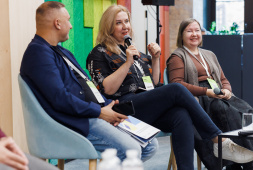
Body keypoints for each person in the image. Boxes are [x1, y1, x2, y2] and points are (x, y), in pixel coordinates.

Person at [86, 5, 253, 170]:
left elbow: (151, 84)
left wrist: (154, 59)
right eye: (118, 23)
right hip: (122, 109)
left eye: (127, 21)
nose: (125, 27)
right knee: (176, 88)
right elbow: (107, 89)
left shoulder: (131, 49)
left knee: (181, 115)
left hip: (144, 107)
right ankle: (218, 140)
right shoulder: (99, 53)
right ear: (109, 27)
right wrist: (128, 62)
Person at [20, 1, 158, 162]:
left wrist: (108, 106)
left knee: (150, 144)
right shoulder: (38, 53)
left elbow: (87, 87)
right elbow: (60, 99)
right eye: (68, 20)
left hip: (94, 112)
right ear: (57, 23)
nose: (71, 26)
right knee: (132, 149)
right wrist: (99, 112)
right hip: (76, 120)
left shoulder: (61, 51)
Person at [167, 18, 253, 170]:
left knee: (245, 110)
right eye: (189, 31)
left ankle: (239, 162)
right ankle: (246, 165)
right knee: (222, 109)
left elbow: (223, 79)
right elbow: (176, 85)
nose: (194, 34)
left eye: (197, 30)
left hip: (217, 93)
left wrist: (227, 90)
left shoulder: (209, 54)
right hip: (197, 99)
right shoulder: (177, 57)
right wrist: (206, 91)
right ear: (181, 35)